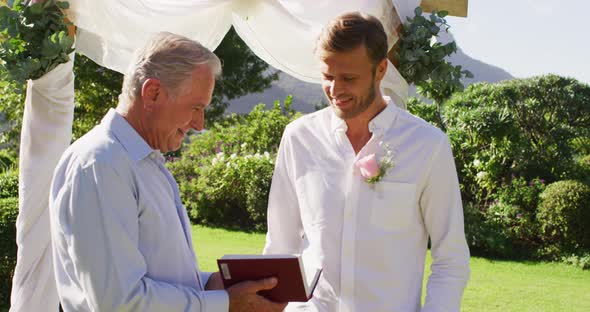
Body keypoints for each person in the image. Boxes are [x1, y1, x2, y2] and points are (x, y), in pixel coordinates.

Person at [49, 32, 287, 312]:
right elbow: (118, 302)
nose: (200, 124)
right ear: (153, 93)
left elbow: (161, 275)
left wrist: (211, 284)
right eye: (196, 107)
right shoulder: (100, 164)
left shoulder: (143, 163)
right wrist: (224, 304)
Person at [263, 12, 470, 311]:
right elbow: (280, 247)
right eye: (327, 77)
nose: (335, 90)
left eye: (349, 78)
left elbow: (450, 259)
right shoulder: (298, 138)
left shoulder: (428, 146)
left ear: (381, 69)